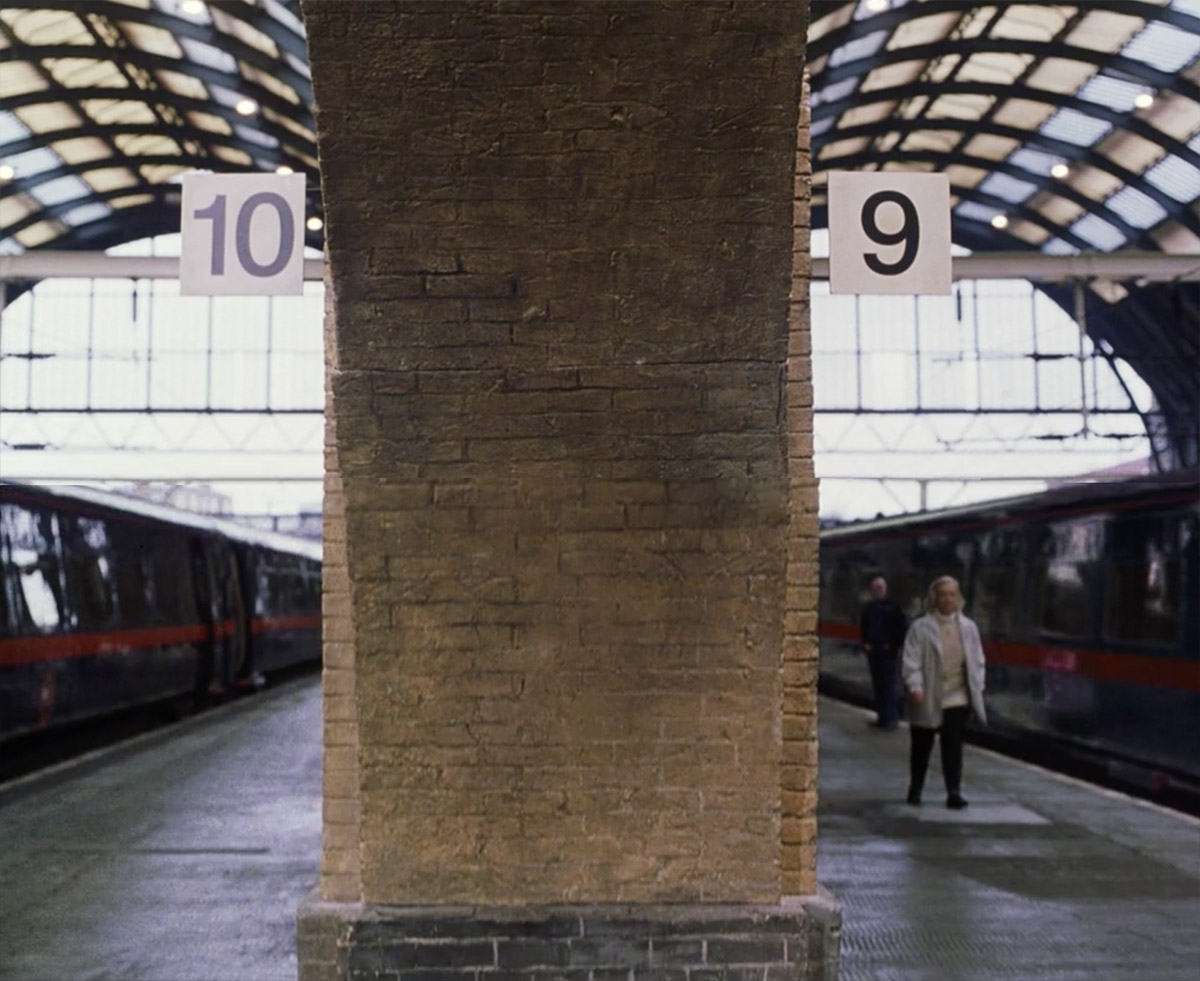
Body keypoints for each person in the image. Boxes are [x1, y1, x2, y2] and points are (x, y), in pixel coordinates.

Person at [901, 575, 987, 809]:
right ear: (934, 598)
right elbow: (911, 659)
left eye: (952, 594)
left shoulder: (968, 627)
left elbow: (977, 659)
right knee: (922, 745)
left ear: (958, 598)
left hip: (957, 695)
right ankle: (916, 788)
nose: (948, 599)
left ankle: (954, 792)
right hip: (927, 693)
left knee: (953, 745)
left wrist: (978, 686)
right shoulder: (920, 627)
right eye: (943, 595)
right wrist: (915, 684)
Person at [859, 576, 907, 729]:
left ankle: (891, 719)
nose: (878, 590)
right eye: (876, 588)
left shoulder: (894, 607)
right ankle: (882, 718)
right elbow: (864, 627)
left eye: (880, 588)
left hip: (888, 653)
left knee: (888, 686)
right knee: (878, 685)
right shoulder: (868, 608)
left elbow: (901, 629)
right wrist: (865, 643)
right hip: (873, 652)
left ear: (885, 589)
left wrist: (893, 646)